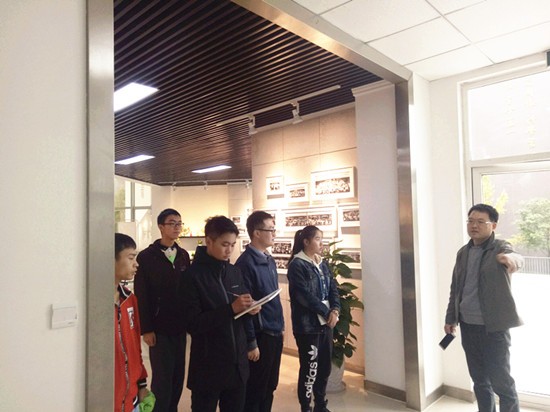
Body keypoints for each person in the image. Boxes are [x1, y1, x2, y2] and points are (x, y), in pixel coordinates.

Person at [444, 203, 523, 412]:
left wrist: (511, 260)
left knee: (502, 384)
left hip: (493, 328)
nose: (474, 226)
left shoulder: (500, 247)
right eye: (471, 221)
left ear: (493, 225)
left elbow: (516, 257)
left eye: (480, 222)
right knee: (479, 381)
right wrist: (450, 318)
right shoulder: (463, 252)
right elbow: (455, 288)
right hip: (468, 326)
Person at [181, 215, 261, 412]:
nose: (229, 250)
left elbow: (241, 309)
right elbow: (193, 324)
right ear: (209, 241)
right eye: (225, 244)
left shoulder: (234, 272)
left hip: (237, 366)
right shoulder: (192, 276)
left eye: (233, 245)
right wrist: (231, 309)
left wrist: (250, 308)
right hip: (208, 366)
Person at [134, 209, 191, 412]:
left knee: (177, 376)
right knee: (162, 378)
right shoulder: (146, 257)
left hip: (180, 327)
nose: (177, 227)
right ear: (161, 227)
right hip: (158, 328)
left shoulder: (183, 255)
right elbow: (141, 295)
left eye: (179, 223)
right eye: (172, 223)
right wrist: (146, 329)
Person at [235, 211, 284, 412]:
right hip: (261, 334)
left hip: (275, 331)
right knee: (256, 388)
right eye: (270, 229)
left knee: (270, 386)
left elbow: (272, 298)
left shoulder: (269, 259)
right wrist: (251, 342)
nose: (274, 233)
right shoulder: (245, 264)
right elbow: (246, 308)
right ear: (256, 233)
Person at [287, 226, 340, 412]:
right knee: (310, 369)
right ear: (306, 241)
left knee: (324, 368)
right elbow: (303, 296)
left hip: (326, 324)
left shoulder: (322, 263)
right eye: (317, 239)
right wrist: (326, 312)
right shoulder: (297, 265)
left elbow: (333, 288)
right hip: (308, 326)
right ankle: (306, 407)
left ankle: (320, 404)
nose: (321, 243)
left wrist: (335, 310)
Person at [114, 233, 155, 412]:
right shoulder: (94, 305)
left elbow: (134, 347)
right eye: (131, 258)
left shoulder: (129, 299)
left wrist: (142, 383)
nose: (136, 264)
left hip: (131, 399)